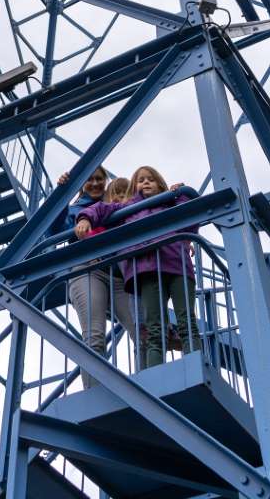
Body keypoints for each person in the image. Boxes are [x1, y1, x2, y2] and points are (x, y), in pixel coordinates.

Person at [75, 166, 198, 369]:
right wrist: (85, 218)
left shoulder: (170, 205)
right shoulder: (128, 209)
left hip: (178, 268)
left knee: (187, 322)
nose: (146, 183)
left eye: (151, 179)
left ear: (161, 183)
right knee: (153, 329)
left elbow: (190, 222)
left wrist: (181, 194)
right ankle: (155, 374)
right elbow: (101, 208)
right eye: (141, 180)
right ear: (136, 187)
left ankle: (195, 365)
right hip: (147, 271)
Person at [54, 168, 138, 388]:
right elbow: (54, 229)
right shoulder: (75, 210)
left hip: (119, 274)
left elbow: (148, 205)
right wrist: (62, 193)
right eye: (89, 179)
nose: (94, 183)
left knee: (142, 330)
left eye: (99, 179)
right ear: (81, 185)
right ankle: (94, 393)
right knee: (94, 336)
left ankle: (153, 383)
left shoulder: (117, 202)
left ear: (106, 180)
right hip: (87, 270)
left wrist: (173, 192)